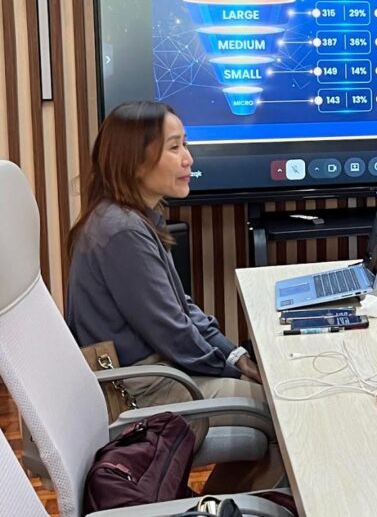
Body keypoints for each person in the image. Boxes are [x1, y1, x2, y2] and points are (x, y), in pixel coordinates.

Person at [65, 100, 283, 492]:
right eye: (174, 147)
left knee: (271, 397)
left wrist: (235, 356)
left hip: (158, 372)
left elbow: (183, 308)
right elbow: (174, 333)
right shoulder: (122, 232)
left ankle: (215, 507)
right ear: (135, 162)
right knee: (282, 411)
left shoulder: (133, 217)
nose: (188, 158)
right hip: (143, 389)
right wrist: (234, 370)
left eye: (185, 144)